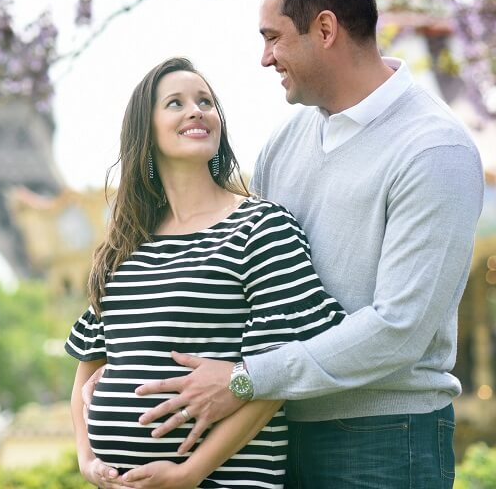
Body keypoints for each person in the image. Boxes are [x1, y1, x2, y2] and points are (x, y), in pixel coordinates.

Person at [104, 0, 485, 488]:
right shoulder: (287, 141)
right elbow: (251, 288)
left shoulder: (432, 150)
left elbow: (399, 330)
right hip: (277, 438)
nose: (265, 58)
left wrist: (243, 380)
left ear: (324, 29)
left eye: (273, 37)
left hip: (382, 439)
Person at [66, 56, 346, 489]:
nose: (197, 110)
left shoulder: (262, 226)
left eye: (206, 101)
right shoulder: (125, 246)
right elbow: (89, 368)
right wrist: (87, 460)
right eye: (175, 103)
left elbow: (278, 377)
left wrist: (188, 473)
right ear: (146, 130)